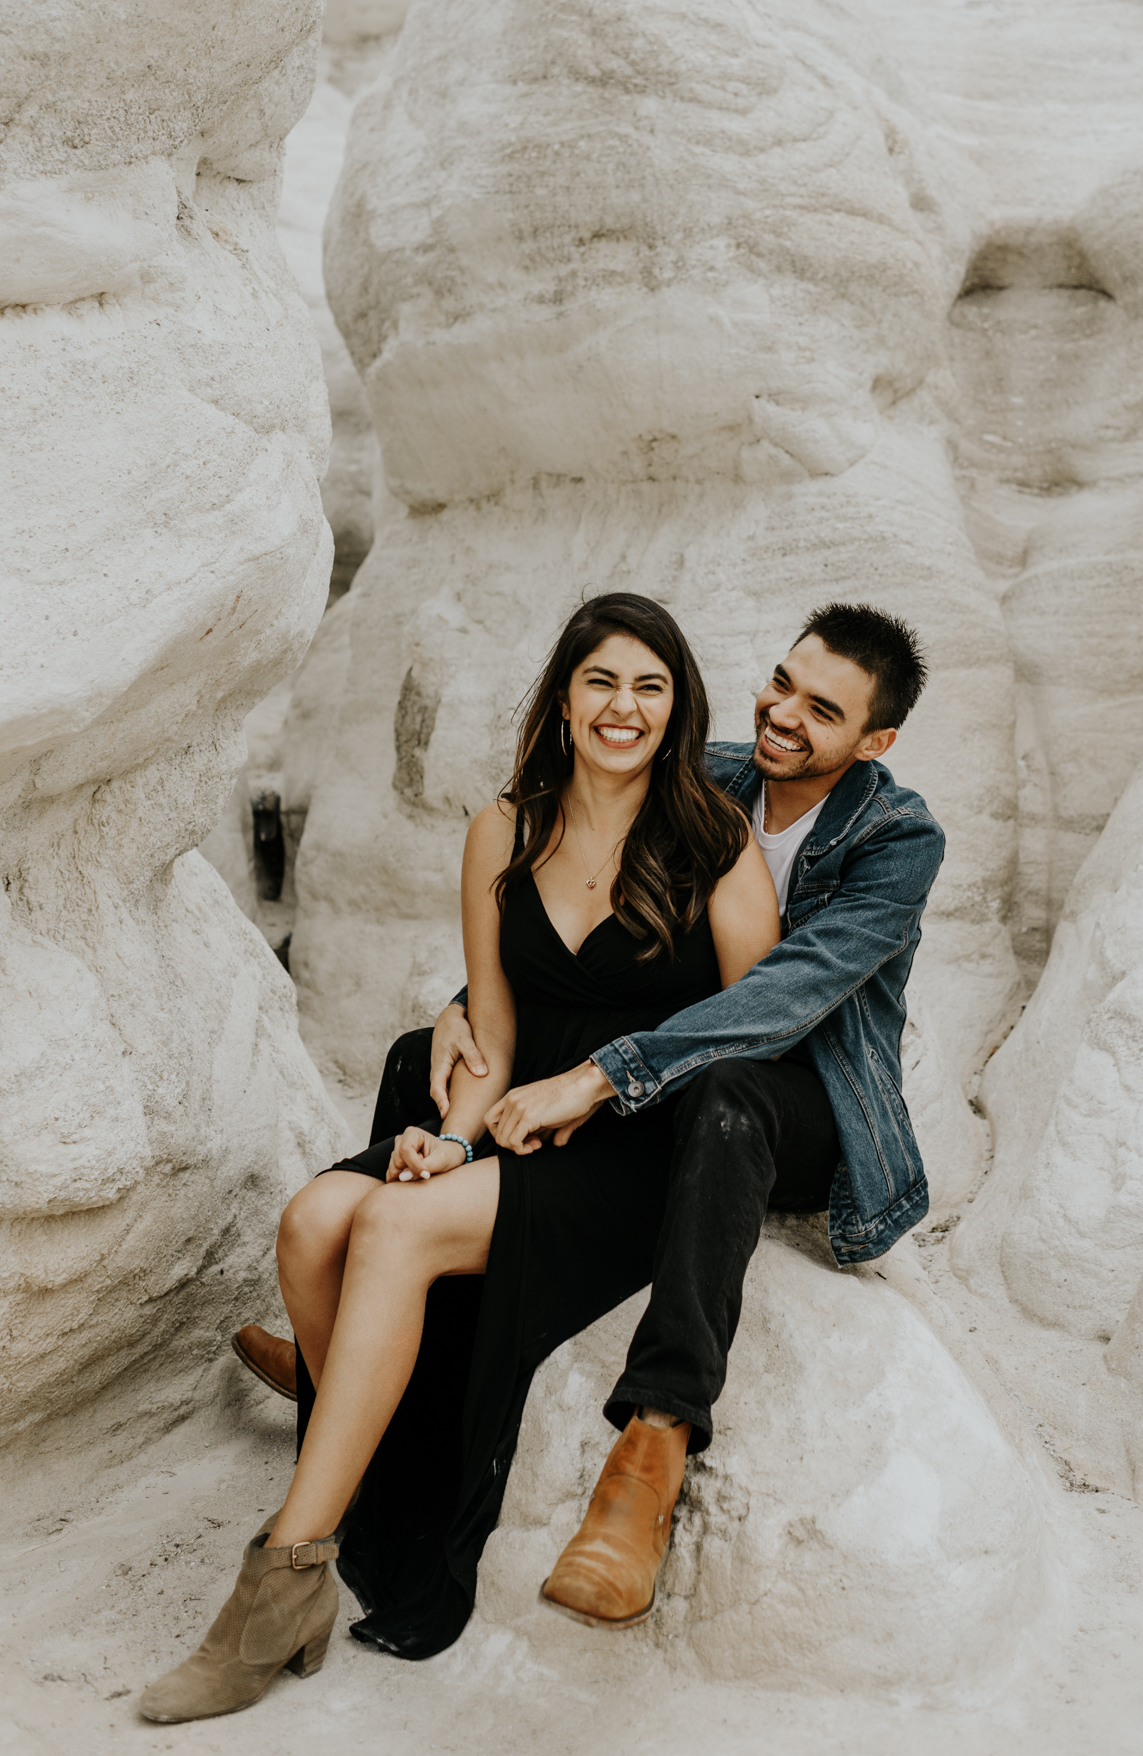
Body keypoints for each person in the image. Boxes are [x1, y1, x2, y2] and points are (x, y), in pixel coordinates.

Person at [231, 600, 945, 1637]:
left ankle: (654, 1442)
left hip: (802, 1090)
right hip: (672, 1065)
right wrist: (463, 1007)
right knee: (416, 1063)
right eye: (782, 681)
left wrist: (601, 1076)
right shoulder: (719, 771)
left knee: (723, 1093)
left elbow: (782, 998)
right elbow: (559, 925)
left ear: (874, 740)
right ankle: (358, 1350)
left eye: (821, 707)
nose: (784, 712)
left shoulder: (897, 836)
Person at [138, 593, 779, 1723]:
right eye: (601, 681)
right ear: (564, 697)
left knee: (386, 1226)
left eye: (650, 686)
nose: (622, 707)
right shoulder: (504, 828)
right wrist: (452, 1135)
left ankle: (286, 1573)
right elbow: (489, 1025)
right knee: (313, 1220)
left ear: (678, 709)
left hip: (636, 1149)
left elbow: (754, 1029)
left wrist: (607, 1083)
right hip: (515, 1116)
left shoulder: (715, 842)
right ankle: (375, 1471)